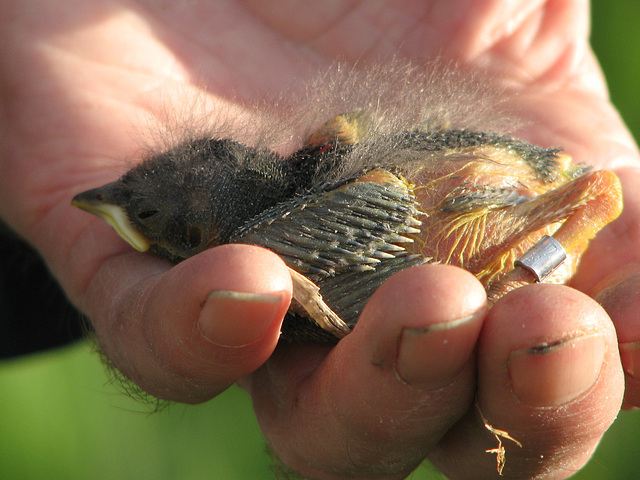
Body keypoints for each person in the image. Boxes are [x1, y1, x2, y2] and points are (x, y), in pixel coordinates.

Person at [1, 1, 638, 479]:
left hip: (478, 205)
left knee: (299, 261)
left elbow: (379, 196)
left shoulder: (287, 218)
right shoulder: (318, 172)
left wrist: (541, 255)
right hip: (488, 207)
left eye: (163, 225)